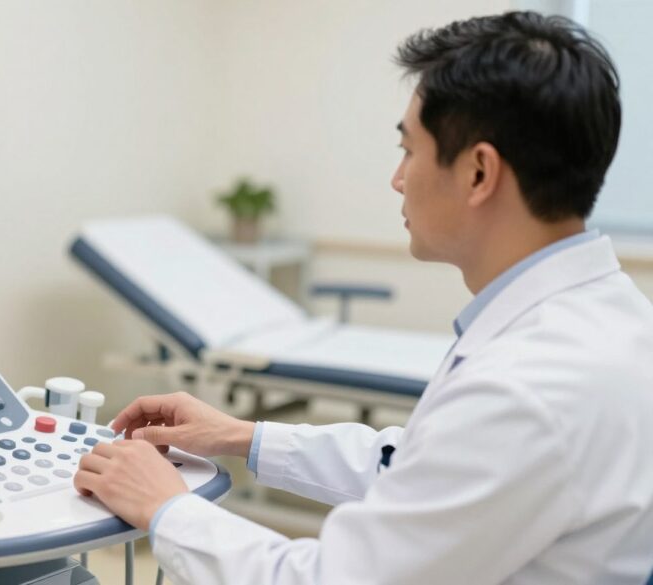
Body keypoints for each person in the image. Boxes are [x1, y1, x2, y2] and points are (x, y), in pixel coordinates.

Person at [73, 11, 653, 584]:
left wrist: (167, 508)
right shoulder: (610, 314)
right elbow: (419, 471)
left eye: (409, 151)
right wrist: (241, 436)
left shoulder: (526, 389)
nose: (397, 179)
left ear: (479, 173)